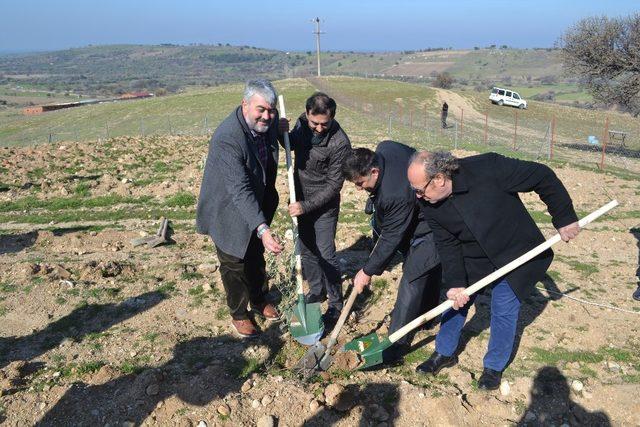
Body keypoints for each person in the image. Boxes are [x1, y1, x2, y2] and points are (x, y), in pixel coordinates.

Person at [407, 151, 580, 390]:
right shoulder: (428, 202)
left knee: (503, 307)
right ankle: (444, 352)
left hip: (514, 252)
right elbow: (446, 243)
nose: (418, 196)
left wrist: (564, 217)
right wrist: (456, 283)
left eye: (419, 189)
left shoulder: (488, 168)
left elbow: (542, 176)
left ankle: (493, 367)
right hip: (473, 257)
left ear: (438, 179)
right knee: (454, 301)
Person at [196, 79, 284, 339]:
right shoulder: (227, 138)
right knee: (234, 264)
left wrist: (280, 130)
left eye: (271, 110)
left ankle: (258, 298)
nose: (266, 116)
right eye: (261, 110)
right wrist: (264, 229)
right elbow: (240, 190)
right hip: (227, 209)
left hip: (257, 202)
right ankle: (238, 313)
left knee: (256, 256)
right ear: (245, 105)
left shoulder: (266, 125)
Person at [342, 141, 441, 362]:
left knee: (413, 276)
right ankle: (429, 313)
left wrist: (366, 271)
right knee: (427, 269)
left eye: (360, 183)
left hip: (431, 225)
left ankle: (396, 343)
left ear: (374, 171)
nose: (358, 189)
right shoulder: (385, 149)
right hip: (413, 216)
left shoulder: (394, 194)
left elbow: (390, 238)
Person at [279, 92, 351, 323]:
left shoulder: (340, 143)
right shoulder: (302, 123)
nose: (319, 128)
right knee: (306, 248)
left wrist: (306, 206)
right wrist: (280, 131)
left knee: (325, 251)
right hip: (299, 198)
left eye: (324, 124)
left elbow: (334, 186)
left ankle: (336, 303)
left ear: (332, 118)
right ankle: (317, 290)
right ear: (307, 114)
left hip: (323, 205)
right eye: (314, 123)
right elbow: (290, 144)